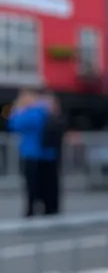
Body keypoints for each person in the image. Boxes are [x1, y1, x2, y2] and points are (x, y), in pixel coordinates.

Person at [8, 89, 59, 217]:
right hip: (48, 154)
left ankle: (33, 210)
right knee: (48, 185)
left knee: (33, 185)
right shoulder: (46, 110)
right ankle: (50, 209)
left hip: (32, 154)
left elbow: (14, 124)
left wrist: (18, 109)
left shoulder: (34, 112)